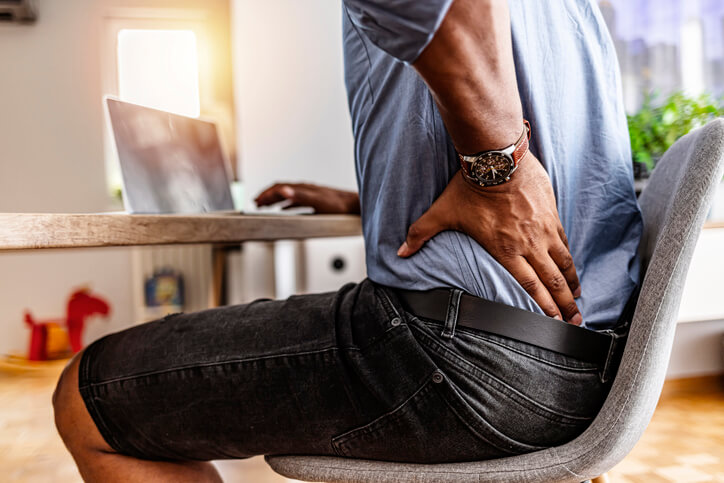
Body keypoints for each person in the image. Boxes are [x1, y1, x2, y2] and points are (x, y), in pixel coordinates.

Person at [53, 0, 642, 481]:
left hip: (464, 358)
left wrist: (498, 170)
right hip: (588, 366)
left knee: (90, 400)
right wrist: (375, 199)